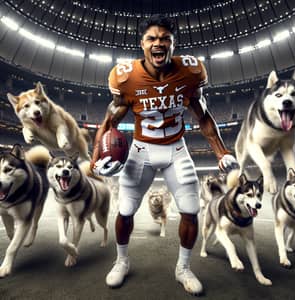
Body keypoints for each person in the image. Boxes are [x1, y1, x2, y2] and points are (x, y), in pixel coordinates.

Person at [90, 14, 238, 295]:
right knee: (125, 210)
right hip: (141, 150)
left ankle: (183, 267)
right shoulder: (126, 76)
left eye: (165, 38)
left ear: (173, 44)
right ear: (142, 44)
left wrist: (221, 152)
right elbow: (109, 121)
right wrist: (97, 158)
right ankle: (121, 261)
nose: (158, 43)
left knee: (191, 211)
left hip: (176, 149)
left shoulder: (189, 72)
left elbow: (203, 115)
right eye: (152, 38)